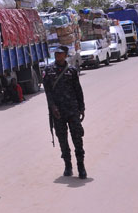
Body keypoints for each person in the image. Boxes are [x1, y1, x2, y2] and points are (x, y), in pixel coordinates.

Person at [43, 46, 87, 179]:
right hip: (58, 112)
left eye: (60, 53)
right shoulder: (48, 70)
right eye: (56, 53)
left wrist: (82, 108)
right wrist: (52, 107)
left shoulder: (72, 71)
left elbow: (78, 90)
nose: (57, 55)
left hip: (72, 110)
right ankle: (68, 165)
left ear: (66, 55)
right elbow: (48, 92)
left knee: (77, 138)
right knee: (62, 139)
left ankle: (81, 167)